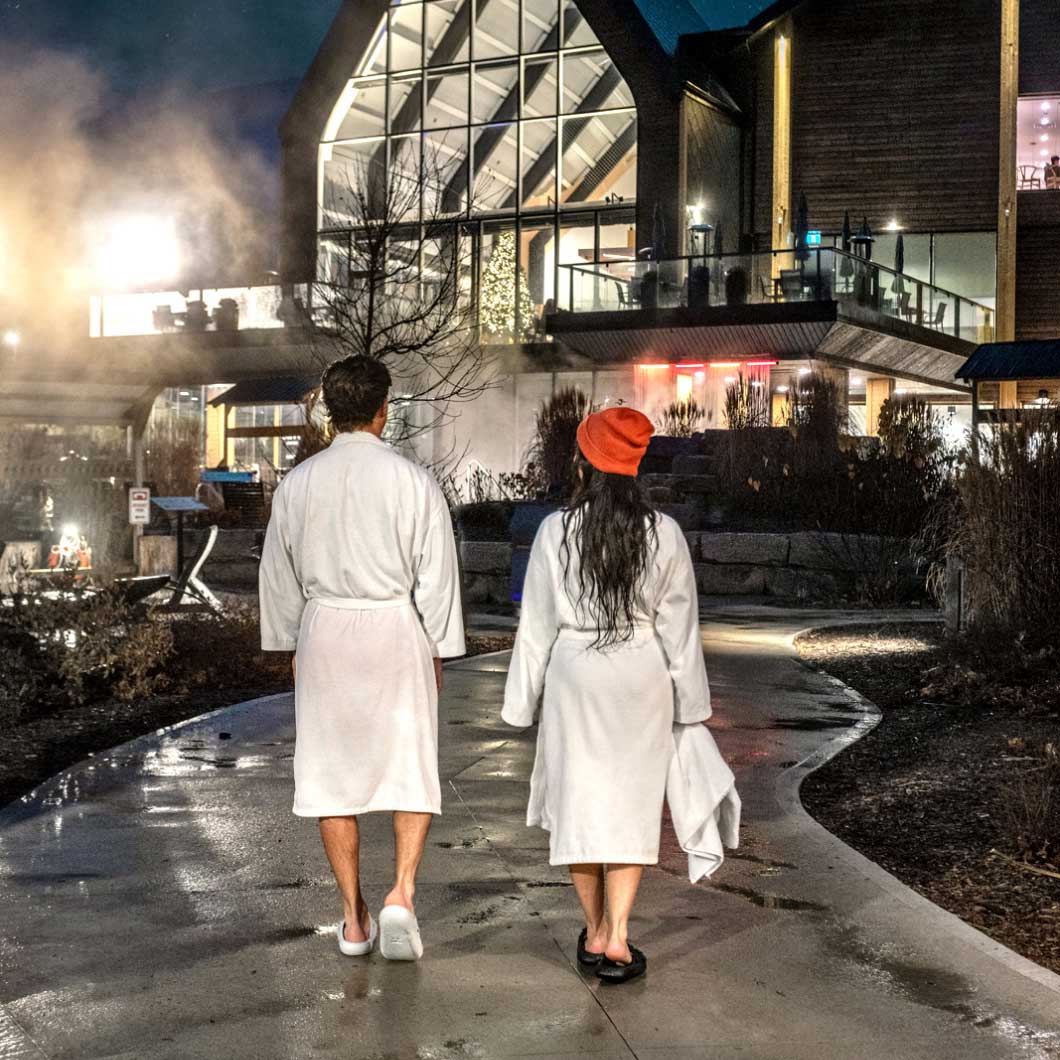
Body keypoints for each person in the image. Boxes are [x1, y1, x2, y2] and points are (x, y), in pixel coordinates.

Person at [502, 407, 738, 986]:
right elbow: (679, 632)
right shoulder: (665, 534)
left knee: (579, 804)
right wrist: (691, 709)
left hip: (574, 677)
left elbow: (535, 628)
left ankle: (593, 928)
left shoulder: (556, 531)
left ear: (584, 461)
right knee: (631, 808)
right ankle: (620, 934)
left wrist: (519, 705)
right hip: (641, 678)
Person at [259, 355, 465, 962]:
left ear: (329, 410)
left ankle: (353, 918)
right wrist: (439, 646)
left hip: (326, 632)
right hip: (396, 629)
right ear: (385, 408)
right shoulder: (412, 481)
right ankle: (401, 890)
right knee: (410, 764)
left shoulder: (299, 483)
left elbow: (279, 574)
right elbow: (437, 575)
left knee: (331, 778)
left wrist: (292, 642)